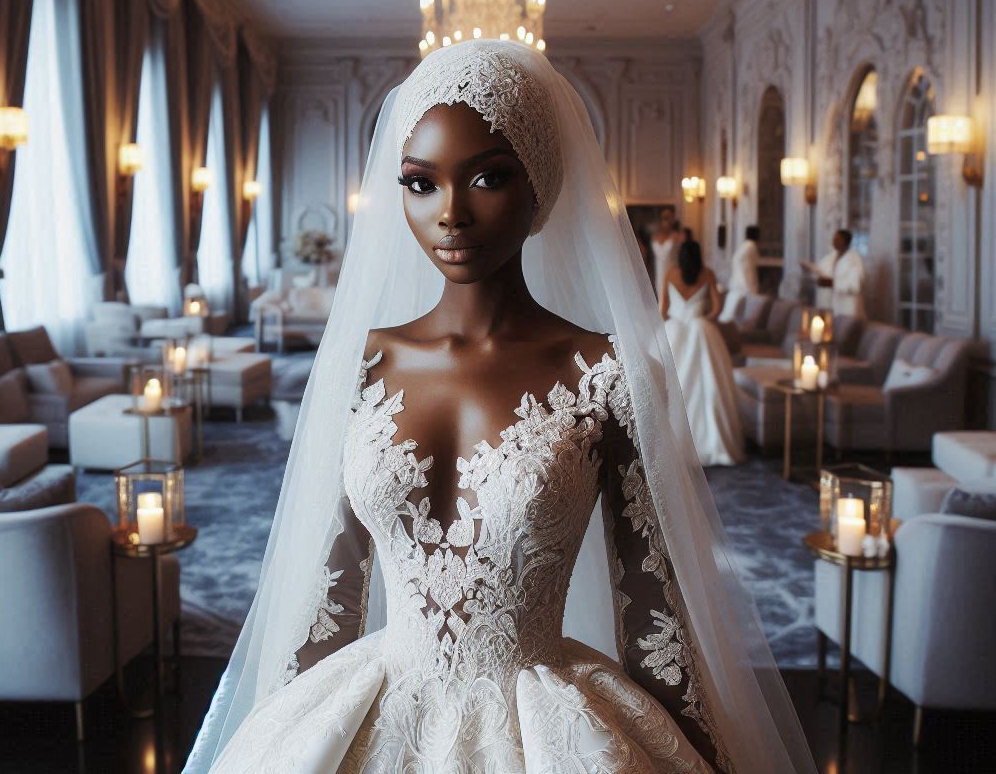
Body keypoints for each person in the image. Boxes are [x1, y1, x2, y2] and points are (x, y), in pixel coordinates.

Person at [184, 41, 816, 774]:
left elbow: (651, 604)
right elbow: (333, 589)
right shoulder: (360, 364)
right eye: (420, 184)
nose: (450, 214)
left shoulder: (608, 372)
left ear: (537, 184)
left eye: (487, 177)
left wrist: (701, 757)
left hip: (546, 731)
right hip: (376, 709)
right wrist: (281, 734)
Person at [661, 239, 745, 467]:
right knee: (709, 383)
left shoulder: (670, 274)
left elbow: (663, 310)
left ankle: (670, 442)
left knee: (669, 383)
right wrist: (702, 319)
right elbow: (717, 308)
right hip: (701, 329)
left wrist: (675, 322)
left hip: (675, 329)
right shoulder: (707, 274)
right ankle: (711, 442)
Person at [802, 228, 866, 318]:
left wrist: (833, 283)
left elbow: (855, 285)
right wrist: (810, 270)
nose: (834, 241)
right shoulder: (831, 257)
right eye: (834, 238)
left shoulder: (854, 260)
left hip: (847, 308)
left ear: (846, 242)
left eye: (837, 239)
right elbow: (820, 271)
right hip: (832, 306)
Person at [719, 225, 760, 323]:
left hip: (741, 279)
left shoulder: (745, 245)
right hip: (745, 280)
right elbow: (750, 264)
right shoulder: (751, 245)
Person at [648, 207, 681, 302]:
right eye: (664, 217)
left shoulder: (677, 236)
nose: (666, 219)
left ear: (673, 218)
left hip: (673, 271)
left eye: (669, 217)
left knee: (673, 300)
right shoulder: (655, 236)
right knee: (661, 299)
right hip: (660, 273)